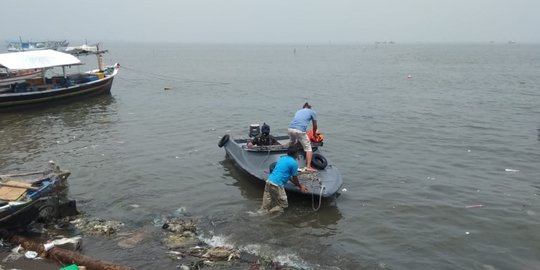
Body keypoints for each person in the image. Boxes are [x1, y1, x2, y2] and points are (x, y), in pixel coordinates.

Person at [260, 145, 308, 214]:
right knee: (283, 205)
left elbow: (288, 176)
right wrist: (301, 186)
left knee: (266, 204)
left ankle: (259, 213)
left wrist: (297, 185)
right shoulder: (294, 163)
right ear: (296, 154)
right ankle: (268, 214)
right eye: (297, 153)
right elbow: (295, 178)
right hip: (277, 184)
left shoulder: (282, 159)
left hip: (269, 181)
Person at [288, 102, 318, 171]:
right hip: (299, 130)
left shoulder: (298, 111)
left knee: (292, 144)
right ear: (309, 107)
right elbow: (315, 126)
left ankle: (289, 162)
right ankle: (308, 167)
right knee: (308, 148)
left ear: (303, 107)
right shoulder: (312, 112)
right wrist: (314, 134)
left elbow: (298, 121)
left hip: (290, 129)